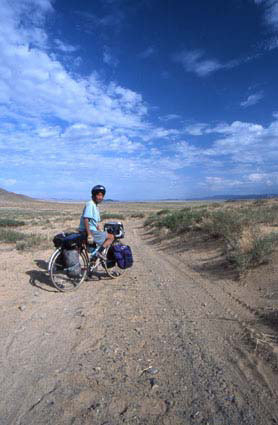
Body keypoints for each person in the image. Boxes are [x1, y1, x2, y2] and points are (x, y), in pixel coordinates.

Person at [79, 185, 114, 256]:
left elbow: (94, 222)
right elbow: (86, 219)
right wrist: (89, 235)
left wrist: (99, 229)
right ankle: (97, 255)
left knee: (101, 238)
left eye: (102, 195)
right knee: (111, 237)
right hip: (89, 231)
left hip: (91, 230)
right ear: (94, 195)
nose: (100, 197)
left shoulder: (95, 206)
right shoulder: (90, 204)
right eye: (98, 195)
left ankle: (93, 258)